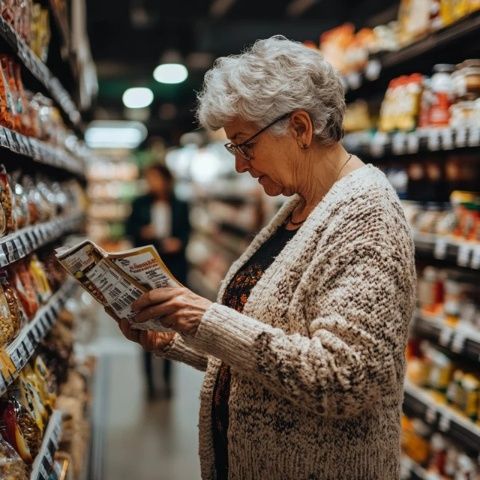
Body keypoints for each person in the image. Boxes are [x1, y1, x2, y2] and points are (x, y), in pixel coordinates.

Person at [119, 36, 416, 479]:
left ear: (299, 128)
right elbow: (266, 350)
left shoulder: (367, 213)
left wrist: (206, 318)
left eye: (245, 144)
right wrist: (174, 337)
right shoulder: (297, 208)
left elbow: (344, 379)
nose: (241, 165)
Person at [125, 163, 190, 399]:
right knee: (144, 325)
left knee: (171, 327)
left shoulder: (181, 204)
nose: (152, 183)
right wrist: (143, 232)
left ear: (166, 180)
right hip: (145, 273)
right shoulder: (139, 203)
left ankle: (168, 382)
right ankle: (150, 385)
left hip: (173, 269)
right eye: (149, 178)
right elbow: (128, 229)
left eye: (155, 178)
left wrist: (179, 242)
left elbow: (187, 232)